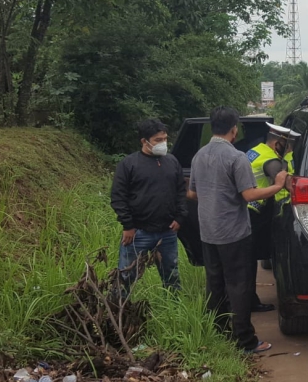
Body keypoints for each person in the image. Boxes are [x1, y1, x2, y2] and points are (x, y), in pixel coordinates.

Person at [186, 107, 287, 354]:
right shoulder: (236, 157)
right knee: (239, 286)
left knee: (215, 284)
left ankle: (219, 333)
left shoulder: (199, 155)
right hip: (233, 233)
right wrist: (278, 185)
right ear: (234, 129)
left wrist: (213, 198)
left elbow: (191, 193)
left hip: (208, 232)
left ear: (212, 127)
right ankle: (246, 340)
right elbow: (249, 195)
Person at [110, 118, 187, 298]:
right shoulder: (129, 164)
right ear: (144, 141)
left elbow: (180, 191)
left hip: (167, 232)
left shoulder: (172, 162)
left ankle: (174, 311)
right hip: (138, 234)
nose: (163, 143)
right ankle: (116, 312)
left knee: (172, 278)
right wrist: (128, 226)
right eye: (158, 140)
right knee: (125, 278)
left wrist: (180, 217)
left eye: (165, 139)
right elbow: (118, 197)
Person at [245, 123, 297, 311]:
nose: (290, 150)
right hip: (253, 213)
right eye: (288, 146)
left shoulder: (255, 151)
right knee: (247, 263)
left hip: (248, 212)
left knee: (247, 261)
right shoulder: (270, 160)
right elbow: (285, 183)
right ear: (277, 145)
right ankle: (248, 302)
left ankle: (246, 300)